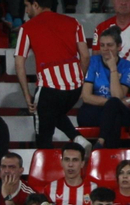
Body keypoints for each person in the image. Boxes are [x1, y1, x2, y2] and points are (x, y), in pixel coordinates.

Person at [15, 0, 88, 150]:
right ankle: (78, 138)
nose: (26, 12)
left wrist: (27, 95)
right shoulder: (73, 22)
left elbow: (19, 64)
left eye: (27, 7)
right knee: (54, 113)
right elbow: (85, 56)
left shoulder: (27, 27)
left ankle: (45, 169)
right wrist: (79, 80)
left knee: (44, 138)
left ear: (36, 5)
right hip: (74, 87)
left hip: (50, 87)